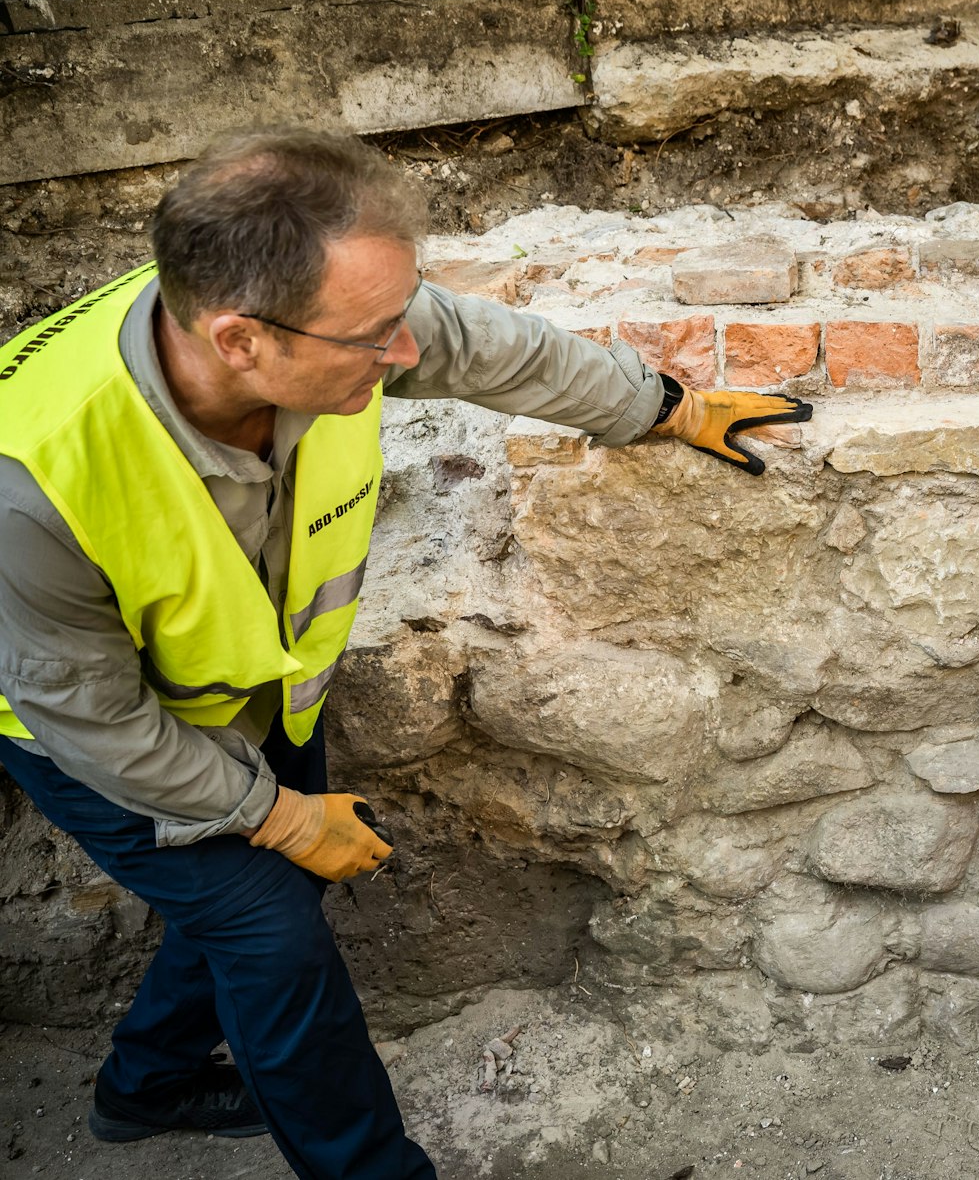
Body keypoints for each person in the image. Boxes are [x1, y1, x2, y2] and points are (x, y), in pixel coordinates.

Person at [0, 127, 811, 1179]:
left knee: (268, 899)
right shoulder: (34, 479)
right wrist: (277, 814)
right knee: (271, 933)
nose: (405, 353)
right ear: (239, 339)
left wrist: (666, 404)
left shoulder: (322, 313)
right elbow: (92, 717)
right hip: (86, 730)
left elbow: (487, 345)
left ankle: (146, 1082)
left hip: (255, 689)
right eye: (375, 335)